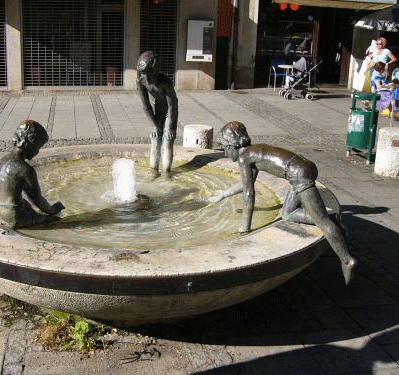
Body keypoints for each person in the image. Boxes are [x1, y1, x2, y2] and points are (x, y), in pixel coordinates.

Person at [209, 121, 357, 285]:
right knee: (287, 214)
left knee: (322, 222)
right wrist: (222, 195)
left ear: (231, 145)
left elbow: (249, 194)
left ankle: (347, 260)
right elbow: (244, 186)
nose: (224, 154)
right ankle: (333, 219)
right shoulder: (253, 151)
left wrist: (245, 227)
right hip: (299, 170)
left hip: (300, 175)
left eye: (224, 148)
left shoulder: (244, 157)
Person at [0, 120, 64, 228]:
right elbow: (38, 201)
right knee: (56, 220)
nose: (38, 152)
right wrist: (54, 210)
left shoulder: (3, 160)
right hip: (14, 218)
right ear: (29, 144)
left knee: (26, 205)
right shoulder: (25, 169)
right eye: (38, 147)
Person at [136, 51, 178, 176]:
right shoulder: (141, 81)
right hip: (158, 109)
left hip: (171, 112)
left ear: (155, 70)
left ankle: (166, 172)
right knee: (155, 139)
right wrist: (153, 124)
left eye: (148, 73)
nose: (146, 77)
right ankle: (153, 171)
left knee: (167, 141)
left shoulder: (166, 82)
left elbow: (172, 105)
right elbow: (146, 105)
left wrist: (169, 126)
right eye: (143, 74)